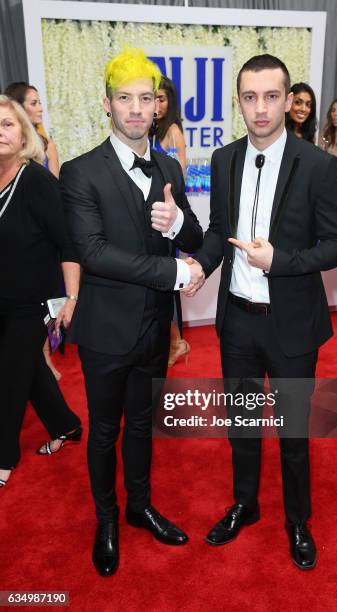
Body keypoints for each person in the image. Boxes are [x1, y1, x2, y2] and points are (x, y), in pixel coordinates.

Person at [183, 54, 337, 569]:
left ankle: (297, 519)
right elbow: (219, 232)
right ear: (239, 101)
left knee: (293, 430)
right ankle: (245, 505)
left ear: (289, 102)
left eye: (271, 97)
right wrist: (198, 268)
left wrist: (283, 261)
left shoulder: (318, 165)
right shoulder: (225, 159)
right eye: (250, 97)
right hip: (236, 319)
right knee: (241, 424)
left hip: (292, 324)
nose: (260, 109)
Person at [60, 48, 203, 577]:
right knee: (105, 429)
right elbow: (92, 252)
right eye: (126, 99)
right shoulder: (79, 173)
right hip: (104, 329)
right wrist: (172, 273)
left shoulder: (168, 165)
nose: (137, 108)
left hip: (154, 328)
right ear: (107, 105)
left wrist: (174, 224)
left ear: (157, 106)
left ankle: (140, 506)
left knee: (143, 423)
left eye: (146, 98)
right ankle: (107, 519)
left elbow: (192, 234)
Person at [0, 95, 82, 489]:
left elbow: (68, 243)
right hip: (2, 297)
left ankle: (3, 457)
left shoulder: (35, 180)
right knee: (28, 368)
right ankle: (66, 425)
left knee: (9, 373)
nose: (0, 132)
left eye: (7, 124)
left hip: (35, 301)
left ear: (23, 132)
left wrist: (71, 297)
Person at [5, 81, 62, 379]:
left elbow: (55, 189)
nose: (39, 108)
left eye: (40, 102)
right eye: (33, 103)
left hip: (42, 248)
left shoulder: (45, 146)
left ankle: (42, 361)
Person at [152, 76, 190, 366]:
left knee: (168, 283)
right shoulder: (148, 130)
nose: (157, 104)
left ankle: (177, 342)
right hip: (151, 216)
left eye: (162, 98)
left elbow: (181, 175)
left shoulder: (173, 131)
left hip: (168, 216)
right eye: (153, 98)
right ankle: (175, 341)